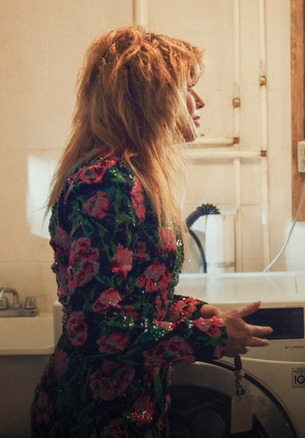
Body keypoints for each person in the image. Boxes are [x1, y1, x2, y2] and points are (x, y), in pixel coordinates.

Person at [30, 27, 273, 437]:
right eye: (186, 89)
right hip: (96, 414)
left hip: (131, 403)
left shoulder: (128, 177)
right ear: (146, 99)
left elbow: (129, 298)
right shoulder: (105, 183)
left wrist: (192, 312)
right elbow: (92, 327)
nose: (199, 102)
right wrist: (209, 338)